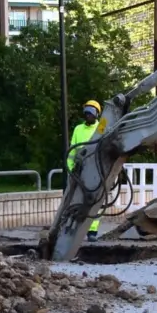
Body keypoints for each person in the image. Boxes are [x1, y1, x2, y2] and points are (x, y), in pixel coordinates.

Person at [67, 100, 103, 242]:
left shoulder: (101, 128)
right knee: (76, 200)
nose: (88, 116)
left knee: (94, 199)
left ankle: (92, 230)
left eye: (91, 113)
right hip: (79, 171)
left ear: (97, 114)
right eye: (86, 113)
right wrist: (70, 168)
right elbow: (72, 151)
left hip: (96, 170)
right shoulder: (78, 129)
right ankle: (74, 228)